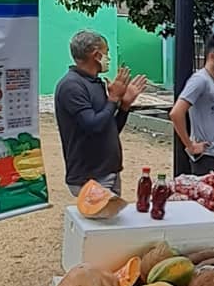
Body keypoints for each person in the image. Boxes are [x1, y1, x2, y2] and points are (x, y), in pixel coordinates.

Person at [54, 30, 147, 195]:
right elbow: (93, 125)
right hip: (90, 177)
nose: (108, 57)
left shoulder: (95, 83)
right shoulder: (72, 86)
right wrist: (113, 99)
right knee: (102, 220)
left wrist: (124, 106)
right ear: (96, 55)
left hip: (107, 172)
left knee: (112, 219)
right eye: (107, 52)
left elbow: (108, 129)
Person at [170, 33, 214, 174]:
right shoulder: (199, 80)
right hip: (206, 156)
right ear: (213, 56)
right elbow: (176, 113)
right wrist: (190, 146)